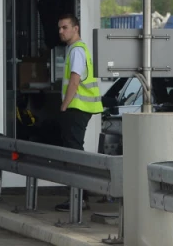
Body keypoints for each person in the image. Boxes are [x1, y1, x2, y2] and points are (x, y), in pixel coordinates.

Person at [55, 13, 103, 212]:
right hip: (82, 108)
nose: (61, 31)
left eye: (65, 27)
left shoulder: (76, 51)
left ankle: (79, 196)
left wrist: (64, 105)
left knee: (73, 152)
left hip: (77, 108)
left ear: (76, 28)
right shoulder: (77, 49)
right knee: (74, 149)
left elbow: (74, 80)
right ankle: (80, 194)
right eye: (59, 28)